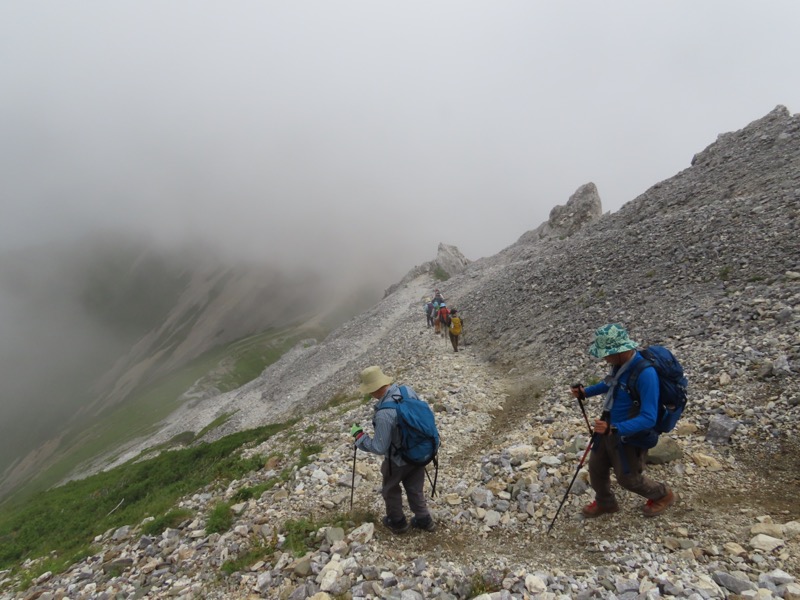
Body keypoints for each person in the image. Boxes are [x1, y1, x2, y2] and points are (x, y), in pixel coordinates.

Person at [571, 324, 675, 518]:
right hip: (608, 427)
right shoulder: (619, 365)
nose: (604, 358)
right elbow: (610, 383)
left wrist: (616, 428)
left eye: (607, 354)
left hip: (629, 434)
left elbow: (649, 417)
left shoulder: (646, 374)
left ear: (620, 350)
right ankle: (606, 503)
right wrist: (586, 392)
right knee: (596, 467)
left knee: (628, 479)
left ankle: (663, 495)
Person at [351, 366, 435, 533]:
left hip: (397, 460)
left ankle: (397, 522)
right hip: (420, 453)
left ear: (373, 390)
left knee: (390, 489)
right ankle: (424, 520)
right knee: (415, 488)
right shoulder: (407, 390)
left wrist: (360, 437)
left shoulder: (384, 413)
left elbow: (379, 447)